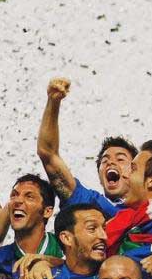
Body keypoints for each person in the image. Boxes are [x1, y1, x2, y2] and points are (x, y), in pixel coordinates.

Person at [36, 77, 137, 218]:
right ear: (100, 178)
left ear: (137, 172)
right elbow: (48, 153)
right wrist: (53, 101)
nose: (110, 162)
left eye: (120, 159)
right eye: (104, 160)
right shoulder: (92, 204)